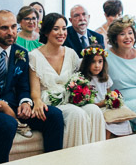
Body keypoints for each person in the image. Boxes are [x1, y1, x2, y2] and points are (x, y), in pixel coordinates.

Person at [0, 10, 63, 154]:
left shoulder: (20, 52)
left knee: (54, 115)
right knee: (7, 124)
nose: (10, 32)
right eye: (4, 28)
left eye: (13, 27)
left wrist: (25, 102)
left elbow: (23, 86)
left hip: (12, 104)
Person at [28, 13, 104, 148]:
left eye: (64, 29)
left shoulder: (71, 54)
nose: (61, 33)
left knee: (94, 110)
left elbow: (79, 80)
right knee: (76, 114)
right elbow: (35, 90)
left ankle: (95, 158)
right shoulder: (34, 56)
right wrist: (37, 101)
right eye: (56, 29)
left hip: (71, 97)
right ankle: (74, 161)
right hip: (51, 100)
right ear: (46, 31)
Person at [80, 46, 130, 138]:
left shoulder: (105, 78)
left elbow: (108, 94)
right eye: (93, 62)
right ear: (86, 63)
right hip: (94, 110)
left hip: (106, 107)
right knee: (107, 127)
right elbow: (83, 102)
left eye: (100, 61)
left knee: (123, 122)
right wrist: (100, 104)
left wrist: (112, 100)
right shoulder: (83, 80)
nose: (97, 65)